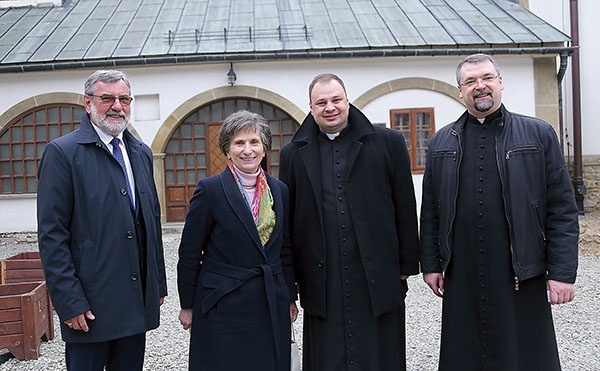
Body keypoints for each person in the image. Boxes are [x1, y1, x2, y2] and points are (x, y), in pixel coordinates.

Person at [419, 53, 579, 370]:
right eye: (471, 82)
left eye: (487, 78)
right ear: (459, 90)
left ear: (500, 83)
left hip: (520, 270)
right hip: (462, 270)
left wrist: (562, 273)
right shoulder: (440, 143)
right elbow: (431, 213)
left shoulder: (538, 135)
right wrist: (431, 264)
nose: (480, 87)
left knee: (525, 355)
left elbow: (561, 208)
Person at [279, 73, 420, 370]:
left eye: (336, 100)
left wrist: (407, 267)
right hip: (322, 273)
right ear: (311, 107)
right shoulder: (292, 153)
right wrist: (290, 283)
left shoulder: (388, 142)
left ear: (347, 100)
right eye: (321, 102)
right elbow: (288, 224)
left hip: (376, 270)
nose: (330, 107)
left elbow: (405, 207)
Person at [37, 70, 167, 370]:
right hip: (89, 308)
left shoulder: (141, 153)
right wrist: (69, 302)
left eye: (124, 99)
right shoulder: (63, 154)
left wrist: (157, 284)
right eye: (107, 98)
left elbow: (151, 222)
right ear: (88, 102)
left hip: (135, 304)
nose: (117, 106)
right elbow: (52, 235)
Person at [177, 110, 298, 371]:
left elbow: (285, 248)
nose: (247, 150)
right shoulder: (209, 190)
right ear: (227, 150)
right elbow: (189, 252)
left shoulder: (280, 190)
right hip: (224, 302)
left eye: (254, 142)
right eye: (239, 143)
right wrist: (187, 305)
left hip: (269, 299)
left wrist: (289, 296)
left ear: (265, 149)